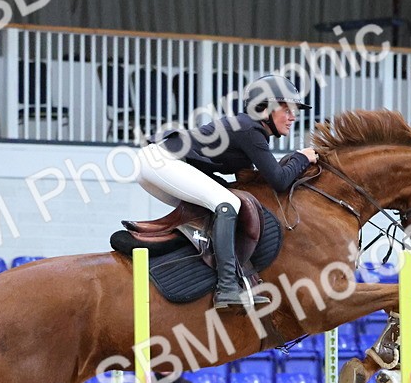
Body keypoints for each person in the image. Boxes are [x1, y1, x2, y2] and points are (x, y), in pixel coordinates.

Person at [134, 74, 319, 309]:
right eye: (287, 109)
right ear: (264, 108)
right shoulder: (250, 129)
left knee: (219, 205)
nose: (293, 117)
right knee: (227, 204)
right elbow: (279, 181)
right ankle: (227, 287)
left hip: (159, 164)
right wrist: (301, 158)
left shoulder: (248, 129)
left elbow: (250, 180)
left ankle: (209, 275)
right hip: (161, 162)